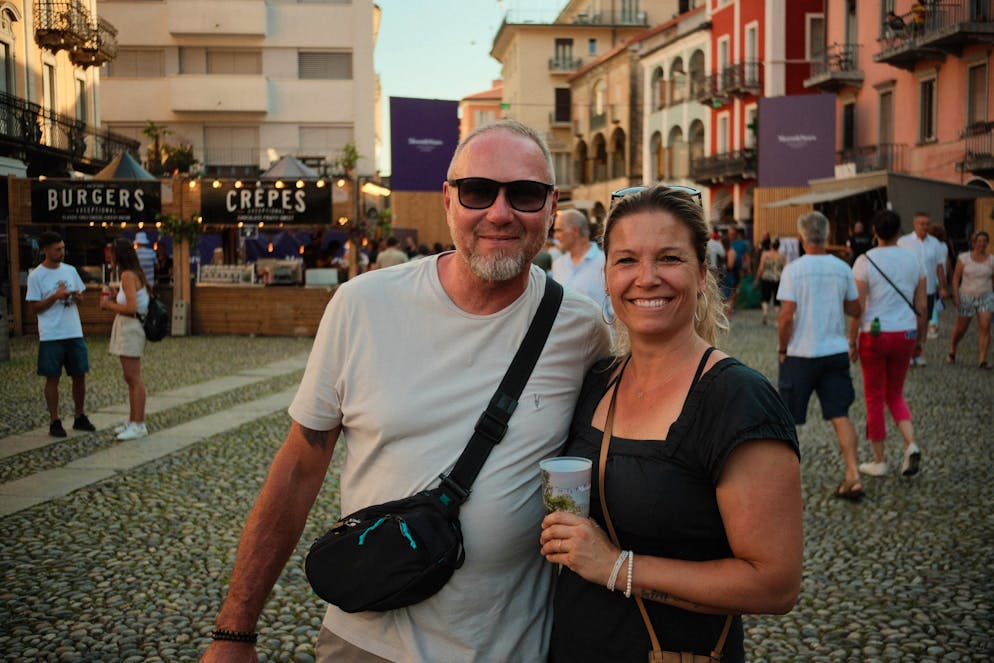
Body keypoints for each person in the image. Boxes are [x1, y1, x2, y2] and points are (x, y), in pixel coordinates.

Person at [201, 119, 611, 662]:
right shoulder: (362, 305)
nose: (500, 212)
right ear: (448, 199)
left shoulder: (581, 330)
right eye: (478, 190)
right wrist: (235, 629)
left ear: (551, 206)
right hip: (367, 641)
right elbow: (301, 464)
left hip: (512, 647)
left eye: (525, 194)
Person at [541, 186, 802, 662]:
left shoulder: (738, 399)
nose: (646, 278)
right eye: (626, 261)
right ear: (606, 276)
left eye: (669, 258)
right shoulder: (598, 379)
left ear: (703, 273)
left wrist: (616, 567)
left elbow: (775, 584)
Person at [776, 212, 864, 500]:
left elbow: (786, 317)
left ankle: (785, 480)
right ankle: (853, 473)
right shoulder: (841, 268)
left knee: (788, 419)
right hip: (834, 350)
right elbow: (854, 309)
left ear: (802, 237)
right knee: (840, 414)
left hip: (801, 353)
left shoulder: (794, 270)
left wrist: (782, 349)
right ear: (827, 236)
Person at [850, 209, 927, 478]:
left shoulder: (864, 261)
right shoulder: (914, 259)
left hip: (874, 333)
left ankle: (879, 460)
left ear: (874, 232)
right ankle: (911, 443)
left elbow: (858, 306)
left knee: (874, 396)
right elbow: (922, 305)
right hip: (905, 332)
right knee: (895, 393)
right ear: (899, 231)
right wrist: (921, 338)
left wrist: (851, 340)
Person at [25, 231, 97, 438]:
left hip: (73, 330)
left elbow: (82, 298)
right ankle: (54, 420)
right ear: (46, 250)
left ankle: (80, 416)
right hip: (51, 334)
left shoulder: (70, 270)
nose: (62, 252)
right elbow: (34, 308)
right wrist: (55, 296)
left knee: (80, 375)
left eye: (63, 248)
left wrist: (76, 297)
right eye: (57, 249)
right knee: (52, 378)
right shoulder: (36, 275)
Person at [100, 237, 151, 441]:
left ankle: (138, 424)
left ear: (118, 256)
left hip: (130, 329)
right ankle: (134, 421)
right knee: (131, 378)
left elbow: (131, 309)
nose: (109, 257)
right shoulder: (133, 274)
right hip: (130, 328)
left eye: (111, 254)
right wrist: (115, 297)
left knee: (134, 379)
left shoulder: (127, 276)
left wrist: (107, 305)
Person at [897, 212, 947, 365]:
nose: (924, 227)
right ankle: (907, 353)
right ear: (914, 224)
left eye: (927, 224)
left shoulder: (935, 244)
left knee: (923, 323)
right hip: (908, 289)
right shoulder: (903, 242)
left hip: (929, 289)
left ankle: (918, 351)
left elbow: (939, 267)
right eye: (921, 223)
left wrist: (943, 287)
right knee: (909, 321)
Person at [946, 230, 994, 368]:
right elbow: (955, 278)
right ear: (974, 243)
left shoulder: (992, 260)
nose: (982, 244)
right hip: (966, 296)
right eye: (979, 241)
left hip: (986, 296)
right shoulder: (964, 258)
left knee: (985, 327)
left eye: (984, 241)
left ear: (987, 243)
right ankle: (953, 348)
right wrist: (956, 295)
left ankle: (982, 359)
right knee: (961, 328)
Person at [551, 209, 606, 303]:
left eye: (559, 230)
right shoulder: (557, 264)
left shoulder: (604, 263)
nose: (555, 236)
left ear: (575, 231)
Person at [755, 236, 786, 326]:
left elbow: (761, 268)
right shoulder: (782, 256)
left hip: (766, 278)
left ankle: (765, 314)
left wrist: (757, 279)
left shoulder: (765, 254)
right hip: (778, 279)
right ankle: (777, 318)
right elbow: (785, 269)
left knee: (765, 298)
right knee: (777, 300)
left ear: (771, 245)